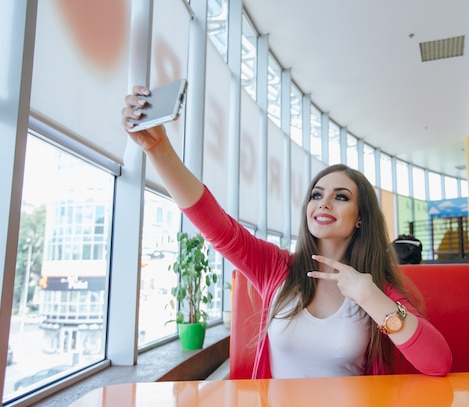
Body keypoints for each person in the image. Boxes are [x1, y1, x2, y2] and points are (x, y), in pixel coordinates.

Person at [122, 86, 452, 378]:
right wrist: (158, 149)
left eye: (340, 197)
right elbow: (216, 225)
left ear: (361, 218)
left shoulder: (375, 288)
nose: (323, 204)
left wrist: (369, 296)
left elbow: (438, 363)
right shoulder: (276, 268)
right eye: (316, 195)